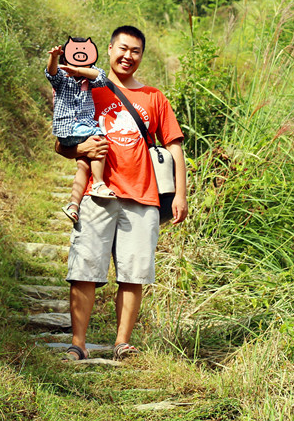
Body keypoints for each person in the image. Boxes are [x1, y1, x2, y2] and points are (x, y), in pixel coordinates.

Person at [54, 25, 188, 362]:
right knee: (84, 269)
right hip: (97, 194)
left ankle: (122, 342)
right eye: (123, 49)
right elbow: (62, 143)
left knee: (134, 273)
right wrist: (81, 147)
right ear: (110, 50)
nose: (128, 56)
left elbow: (175, 148)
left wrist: (181, 195)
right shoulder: (86, 89)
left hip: (143, 195)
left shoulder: (154, 98)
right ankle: (78, 343)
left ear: (142, 56)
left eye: (136, 51)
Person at [45, 38, 116, 223]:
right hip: (70, 129)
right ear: (65, 61)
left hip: (76, 132)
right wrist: (54, 58)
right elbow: (51, 73)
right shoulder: (61, 80)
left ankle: (73, 205)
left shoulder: (89, 79)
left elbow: (100, 76)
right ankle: (99, 183)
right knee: (100, 138)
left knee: (83, 166)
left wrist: (78, 70)